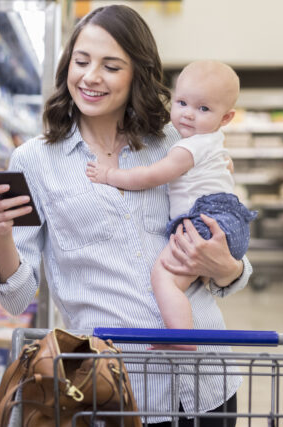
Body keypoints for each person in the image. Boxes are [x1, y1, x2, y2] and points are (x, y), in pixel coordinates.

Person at [0, 5, 251, 426]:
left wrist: (228, 267)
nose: (90, 77)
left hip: (206, 381)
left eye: (111, 66)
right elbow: (15, 298)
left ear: (137, 74)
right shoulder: (33, 160)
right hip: (115, 389)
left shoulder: (176, 144)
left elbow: (229, 256)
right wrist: (0, 234)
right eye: (81, 61)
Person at [85, 60, 257, 346]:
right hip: (229, 224)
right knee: (182, 281)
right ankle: (180, 330)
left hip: (204, 223)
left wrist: (110, 175)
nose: (188, 115)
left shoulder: (187, 147)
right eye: (182, 103)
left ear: (226, 118)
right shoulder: (215, 142)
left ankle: (180, 339)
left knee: (163, 277)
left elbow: (152, 175)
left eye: (203, 109)